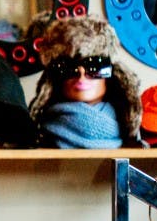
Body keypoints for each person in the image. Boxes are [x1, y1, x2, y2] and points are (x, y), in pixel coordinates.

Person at [29, 14, 144, 149]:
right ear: (54, 78)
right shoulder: (39, 138)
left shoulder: (131, 138)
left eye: (95, 65)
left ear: (113, 74)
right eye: (68, 67)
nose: (82, 74)